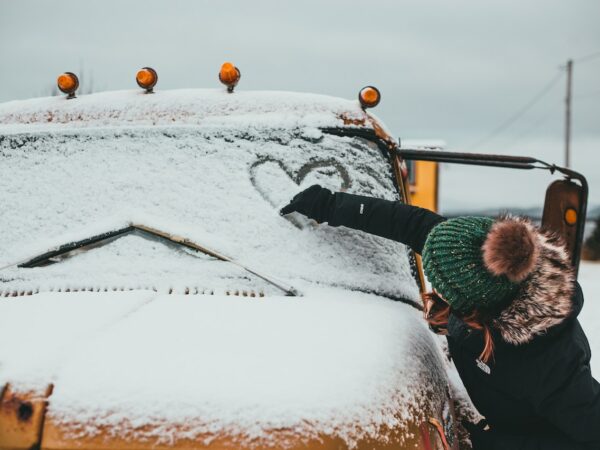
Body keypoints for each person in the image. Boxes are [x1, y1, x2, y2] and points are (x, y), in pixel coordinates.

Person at [280, 185, 600, 450]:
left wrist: (492, 443)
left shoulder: (551, 367)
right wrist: (332, 205)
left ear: (471, 306)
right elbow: (414, 225)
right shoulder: (477, 258)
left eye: (439, 284)